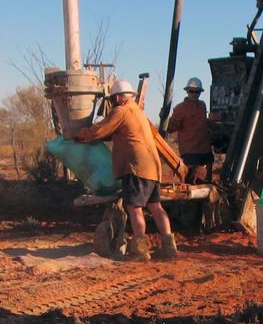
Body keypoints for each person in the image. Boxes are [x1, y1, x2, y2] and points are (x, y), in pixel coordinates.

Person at [71, 80, 177, 261]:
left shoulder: (121, 110)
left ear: (118, 97)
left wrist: (79, 135)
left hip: (136, 167)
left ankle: (140, 249)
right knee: (155, 206)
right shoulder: (137, 111)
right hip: (152, 167)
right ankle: (170, 248)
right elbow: (120, 133)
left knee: (134, 208)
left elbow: (100, 130)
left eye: (112, 99)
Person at [167, 77, 214, 184]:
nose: (194, 94)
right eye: (192, 91)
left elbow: (204, 122)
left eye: (197, 92)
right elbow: (171, 128)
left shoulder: (202, 105)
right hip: (190, 152)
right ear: (187, 91)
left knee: (207, 183)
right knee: (191, 183)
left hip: (205, 151)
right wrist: (166, 120)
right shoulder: (180, 108)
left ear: (200, 92)